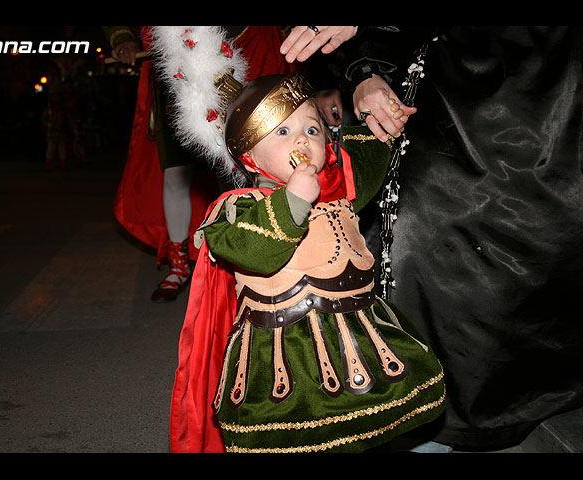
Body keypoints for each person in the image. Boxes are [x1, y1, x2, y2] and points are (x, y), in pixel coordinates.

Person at [281, 25, 583, 451]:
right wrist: (367, 71)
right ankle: (413, 419)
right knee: (410, 246)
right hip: (447, 80)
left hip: (553, 95)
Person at [163, 52, 446, 450]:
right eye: (282, 132)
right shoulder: (237, 208)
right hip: (285, 352)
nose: (302, 139)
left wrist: (382, 122)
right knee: (304, 438)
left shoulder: (339, 185)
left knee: (368, 425)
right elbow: (256, 251)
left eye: (312, 130)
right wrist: (293, 201)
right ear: (248, 156)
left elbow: (369, 155)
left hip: (360, 335)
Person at [104, 26, 295, 303]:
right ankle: (179, 264)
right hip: (176, 72)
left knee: (236, 170)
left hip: (233, 60)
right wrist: (121, 37)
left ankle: (243, 262)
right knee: (175, 171)